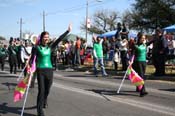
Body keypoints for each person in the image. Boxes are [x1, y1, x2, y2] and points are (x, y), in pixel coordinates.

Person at [29, 24, 72, 116]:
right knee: (41, 91)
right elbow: (32, 60)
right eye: (45, 37)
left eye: (47, 37)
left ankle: (44, 100)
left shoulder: (50, 47)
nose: (46, 38)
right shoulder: (36, 48)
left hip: (49, 71)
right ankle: (40, 111)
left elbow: (59, 39)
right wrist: (30, 68)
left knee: (47, 90)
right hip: (40, 70)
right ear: (41, 38)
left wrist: (67, 31)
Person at [132, 32, 151, 97]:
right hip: (138, 62)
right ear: (139, 38)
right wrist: (130, 61)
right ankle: (142, 91)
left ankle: (138, 87)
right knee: (141, 77)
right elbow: (133, 54)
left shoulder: (144, 45)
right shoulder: (136, 45)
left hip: (144, 62)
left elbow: (151, 42)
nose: (143, 39)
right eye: (142, 38)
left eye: (144, 38)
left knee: (141, 76)